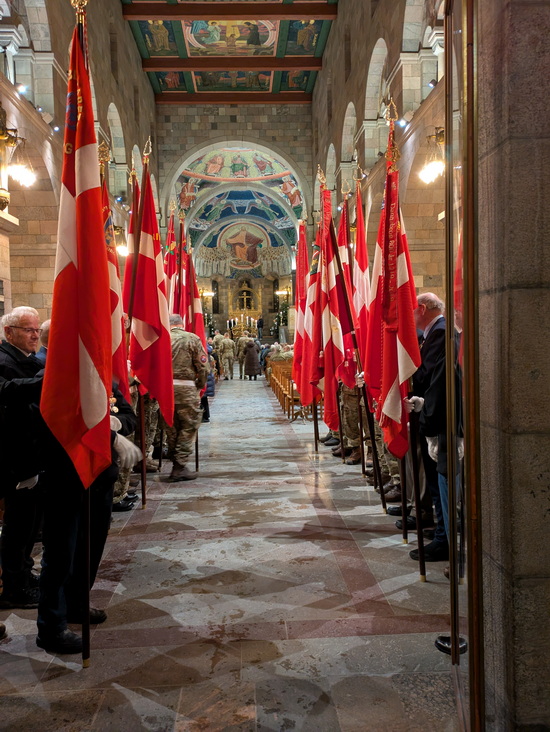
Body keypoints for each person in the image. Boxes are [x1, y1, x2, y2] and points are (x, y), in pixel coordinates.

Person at [36, 385, 140, 654]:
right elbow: (64, 422)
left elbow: (130, 416)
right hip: (66, 478)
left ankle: (77, 604)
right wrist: (108, 434)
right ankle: (51, 626)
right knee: (61, 554)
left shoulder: (105, 382)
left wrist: (115, 424)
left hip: (101, 477)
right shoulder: (56, 377)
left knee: (90, 549)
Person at [0, 307, 44, 610]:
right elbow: (7, 391)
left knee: (30, 524)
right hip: (14, 459)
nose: (34, 335)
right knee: (18, 526)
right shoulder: (4, 360)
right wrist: (48, 376)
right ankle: (14, 587)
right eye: (28, 329)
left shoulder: (28, 359)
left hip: (31, 454)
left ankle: (25, 574)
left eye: (37, 330)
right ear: (9, 332)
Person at [406, 292, 448, 563]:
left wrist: (405, 372)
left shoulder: (440, 333)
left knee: (439, 480)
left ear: (421, 309)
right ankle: (440, 531)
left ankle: (444, 537)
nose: (411, 317)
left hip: (436, 417)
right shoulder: (433, 333)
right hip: (428, 412)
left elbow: (427, 375)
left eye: (412, 311)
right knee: (435, 481)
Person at [165, 314, 209, 482]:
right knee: (189, 426)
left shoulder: (161, 339)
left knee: (171, 427)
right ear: (181, 323)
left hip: (165, 391)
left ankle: (175, 462)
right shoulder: (192, 339)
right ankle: (179, 466)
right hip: (186, 389)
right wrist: (199, 385)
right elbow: (203, 367)